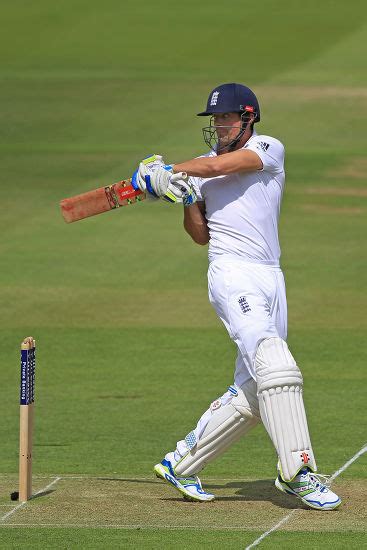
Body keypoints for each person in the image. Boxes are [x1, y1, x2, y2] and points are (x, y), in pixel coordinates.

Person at [131, 83, 341, 510]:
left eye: (226, 118)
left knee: (256, 387)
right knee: (276, 365)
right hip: (232, 273)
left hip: (271, 276)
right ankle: (298, 471)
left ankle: (181, 463)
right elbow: (199, 235)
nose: (219, 126)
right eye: (215, 120)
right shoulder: (202, 168)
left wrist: (171, 170)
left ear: (248, 118)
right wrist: (186, 198)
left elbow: (229, 165)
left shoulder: (267, 148)